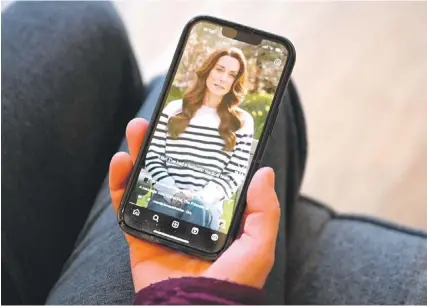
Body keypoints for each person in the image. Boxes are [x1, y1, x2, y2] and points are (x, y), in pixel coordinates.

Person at [143, 47, 254, 231]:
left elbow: (235, 174)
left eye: (231, 74)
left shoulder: (241, 121)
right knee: (164, 213)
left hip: (206, 207)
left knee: (197, 210)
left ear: (236, 81)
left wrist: (199, 198)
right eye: (219, 69)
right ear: (208, 70)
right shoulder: (174, 109)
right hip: (165, 198)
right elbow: (153, 157)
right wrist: (175, 194)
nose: (223, 78)